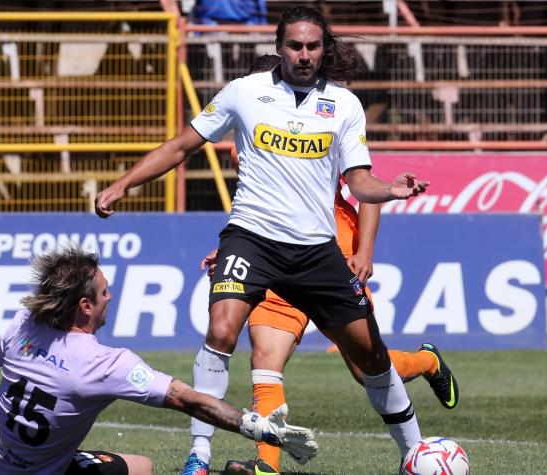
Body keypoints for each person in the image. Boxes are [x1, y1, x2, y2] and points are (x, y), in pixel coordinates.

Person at [96, 6, 430, 474]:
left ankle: (415, 455)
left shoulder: (344, 105)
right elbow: (179, 146)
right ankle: (199, 455)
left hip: (316, 251)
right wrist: (123, 185)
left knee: (371, 358)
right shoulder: (244, 92)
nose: (304, 54)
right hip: (251, 239)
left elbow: (359, 182)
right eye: (295, 45)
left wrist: (389, 190)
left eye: (313, 46)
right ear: (279, 46)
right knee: (221, 331)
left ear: (324, 49)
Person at [194, 55, 458, 475]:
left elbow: (364, 191)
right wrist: (228, 251)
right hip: (270, 261)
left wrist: (364, 252)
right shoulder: (247, 134)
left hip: (326, 256)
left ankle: (426, 363)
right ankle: (267, 466)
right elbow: (257, 209)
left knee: (366, 367)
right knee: (265, 358)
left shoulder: (323, 122)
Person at [0, 246, 318, 475]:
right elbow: (187, 399)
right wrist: (259, 427)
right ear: (85, 306)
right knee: (142, 467)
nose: (110, 296)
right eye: (104, 291)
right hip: (30, 471)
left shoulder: (27, 321)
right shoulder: (104, 364)